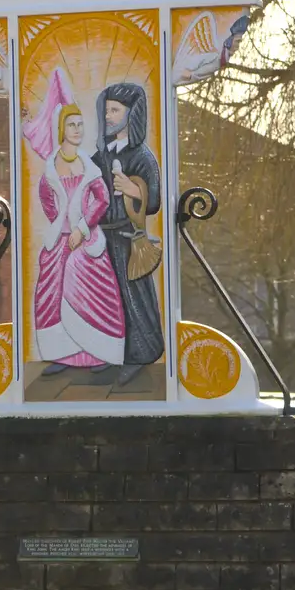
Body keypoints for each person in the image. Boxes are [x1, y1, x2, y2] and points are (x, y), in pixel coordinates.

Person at [24, 71, 126, 375]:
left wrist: (82, 227)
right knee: (51, 290)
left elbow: (103, 199)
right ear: (61, 129)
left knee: (87, 287)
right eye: (72, 125)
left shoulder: (88, 164)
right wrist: (59, 222)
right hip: (59, 239)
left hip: (86, 239)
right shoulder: (51, 165)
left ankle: (98, 353)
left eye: (81, 125)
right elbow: (45, 196)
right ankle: (61, 355)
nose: (78, 130)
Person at [92, 82, 165, 384]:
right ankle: (112, 354)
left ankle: (141, 354)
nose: (108, 116)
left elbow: (155, 201)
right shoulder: (100, 157)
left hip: (127, 238)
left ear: (131, 114)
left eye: (115, 110)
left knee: (133, 297)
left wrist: (133, 189)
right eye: (106, 109)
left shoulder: (142, 156)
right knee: (108, 298)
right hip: (102, 238)